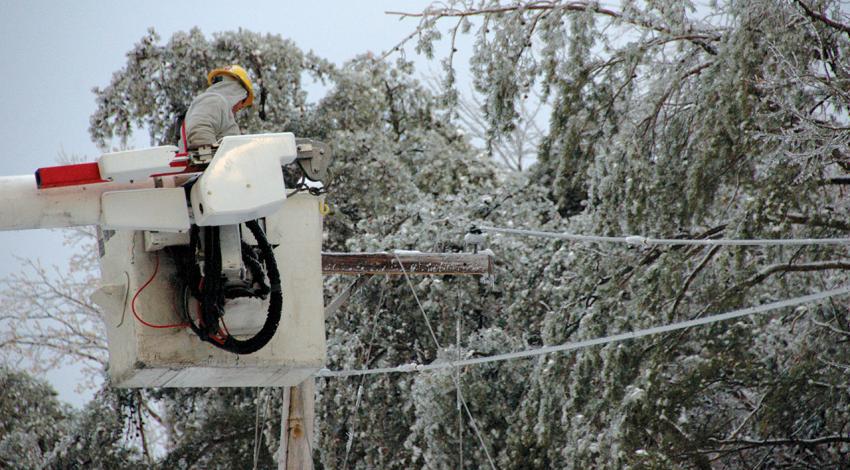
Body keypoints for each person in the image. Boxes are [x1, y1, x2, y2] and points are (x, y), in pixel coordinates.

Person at [181, 65, 254, 150]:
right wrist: (208, 157)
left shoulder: (219, 105)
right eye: (243, 100)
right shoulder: (214, 100)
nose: (242, 106)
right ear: (236, 91)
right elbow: (200, 129)